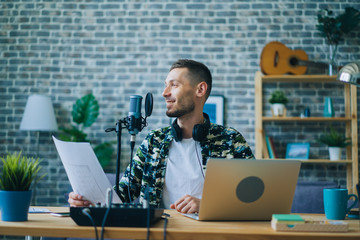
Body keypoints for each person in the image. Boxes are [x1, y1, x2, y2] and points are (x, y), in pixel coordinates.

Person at [68, 59, 254, 213]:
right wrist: (88, 201)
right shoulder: (154, 141)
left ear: (200, 90)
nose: (165, 93)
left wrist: (207, 206)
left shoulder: (230, 140)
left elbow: (253, 197)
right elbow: (122, 194)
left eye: (174, 85)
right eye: (166, 86)